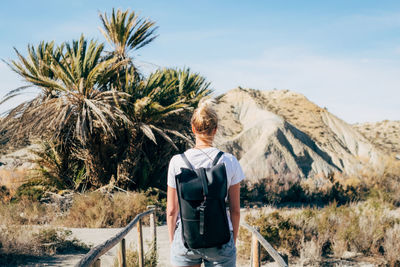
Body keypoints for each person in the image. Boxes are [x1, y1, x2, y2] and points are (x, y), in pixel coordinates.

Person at [167, 100, 245, 267]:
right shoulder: (229, 161)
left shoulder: (176, 162)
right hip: (221, 239)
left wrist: (173, 242)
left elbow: (172, 210)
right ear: (215, 130)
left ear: (193, 128)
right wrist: (232, 239)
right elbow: (235, 210)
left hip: (186, 237)